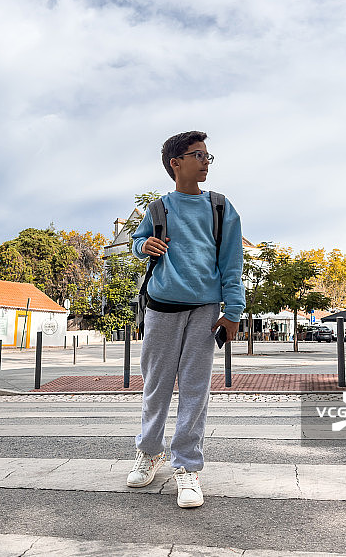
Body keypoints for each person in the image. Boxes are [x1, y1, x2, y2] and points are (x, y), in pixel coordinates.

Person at [126, 130, 245, 508]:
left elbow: (232, 264)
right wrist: (141, 244)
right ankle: (149, 452)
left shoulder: (222, 208)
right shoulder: (159, 208)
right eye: (198, 155)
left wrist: (233, 311)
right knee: (156, 386)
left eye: (209, 156)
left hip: (205, 310)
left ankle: (188, 467)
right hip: (161, 308)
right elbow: (136, 241)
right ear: (176, 163)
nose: (206, 161)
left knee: (195, 390)